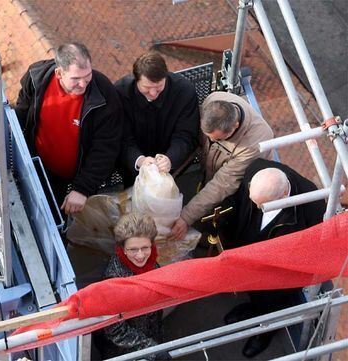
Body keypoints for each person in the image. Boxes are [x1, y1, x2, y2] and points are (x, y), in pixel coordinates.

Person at [217, 158, 326, 357]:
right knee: (254, 289)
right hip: (250, 255)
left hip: (278, 272)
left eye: (262, 205)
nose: (256, 206)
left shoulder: (312, 207)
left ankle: (266, 330)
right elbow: (239, 201)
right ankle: (254, 308)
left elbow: (308, 252)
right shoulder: (257, 170)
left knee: (271, 301)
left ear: (285, 195)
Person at [14, 42, 123, 215]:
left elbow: (106, 148)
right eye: (76, 79)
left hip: (72, 178)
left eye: (87, 76)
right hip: (35, 163)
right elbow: (21, 112)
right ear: (59, 73)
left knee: (51, 218)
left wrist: (82, 189)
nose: (83, 84)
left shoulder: (104, 94)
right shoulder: (36, 77)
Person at [170, 91, 274, 240]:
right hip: (212, 166)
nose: (211, 140)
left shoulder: (254, 143)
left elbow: (222, 184)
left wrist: (186, 217)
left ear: (235, 126)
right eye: (208, 136)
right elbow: (196, 141)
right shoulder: (214, 100)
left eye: (218, 139)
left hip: (235, 186)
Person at [115, 51, 200, 186]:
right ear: (136, 80)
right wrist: (139, 160)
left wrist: (170, 158)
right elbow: (119, 136)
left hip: (173, 168)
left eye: (159, 87)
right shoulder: (120, 93)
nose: (153, 94)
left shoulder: (184, 91)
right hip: (132, 168)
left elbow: (186, 134)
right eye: (147, 88)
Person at [98, 213, 170, 360]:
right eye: (133, 249)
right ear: (122, 248)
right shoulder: (114, 279)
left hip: (152, 333)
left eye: (145, 248)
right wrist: (151, 349)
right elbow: (115, 330)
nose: (140, 255)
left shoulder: (151, 263)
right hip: (127, 351)